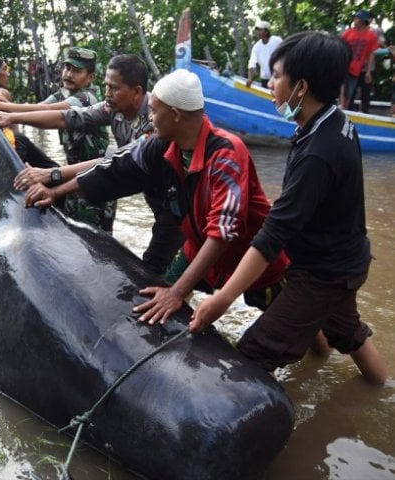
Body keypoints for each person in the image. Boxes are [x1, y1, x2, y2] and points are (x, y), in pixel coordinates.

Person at [191, 32, 387, 385]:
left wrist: (222, 298)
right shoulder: (332, 119)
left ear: (301, 87)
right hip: (346, 259)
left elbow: (273, 234)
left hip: (324, 273)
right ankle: (379, 394)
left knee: (252, 354)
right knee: (347, 333)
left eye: (277, 76)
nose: (270, 84)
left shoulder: (318, 153)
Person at [22, 69, 288, 324]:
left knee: (298, 333)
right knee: (155, 296)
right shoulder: (162, 145)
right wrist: (54, 189)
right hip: (196, 251)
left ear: (174, 115)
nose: (149, 119)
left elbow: (221, 233)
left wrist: (176, 294)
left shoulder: (227, 154)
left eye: (154, 110)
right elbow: (114, 168)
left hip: (250, 260)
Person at [0, 54, 183, 273]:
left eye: (114, 88)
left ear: (136, 92)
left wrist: (53, 175)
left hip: (175, 204)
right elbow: (68, 117)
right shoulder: (113, 109)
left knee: (156, 271)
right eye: (106, 86)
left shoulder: (154, 122)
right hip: (136, 187)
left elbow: (115, 161)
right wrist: (12, 116)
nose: (107, 94)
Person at [0, 46, 114, 231]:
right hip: (72, 174)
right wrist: (1, 106)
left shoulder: (87, 98)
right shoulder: (62, 94)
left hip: (96, 176)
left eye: (77, 71)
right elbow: (37, 108)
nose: (69, 74)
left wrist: (0, 106)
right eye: (67, 69)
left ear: (90, 78)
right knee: (73, 230)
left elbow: (51, 112)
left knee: (96, 237)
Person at [340, 10, 379, 113]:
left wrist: (368, 71)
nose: (354, 20)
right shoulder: (348, 33)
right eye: (355, 18)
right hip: (348, 68)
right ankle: (345, 112)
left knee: (365, 95)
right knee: (348, 94)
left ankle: (364, 115)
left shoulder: (371, 36)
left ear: (363, 21)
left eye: (357, 18)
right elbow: (339, 46)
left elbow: (371, 54)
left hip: (362, 69)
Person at [246, 20, 282, 88]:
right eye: (257, 30)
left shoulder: (277, 41)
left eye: (260, 30)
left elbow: (286, 55)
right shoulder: (256, 47)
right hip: (265, 79)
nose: (257, 32)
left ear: (266, 31)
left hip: (277, 77)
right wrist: (250, 79)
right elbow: (252, 63)